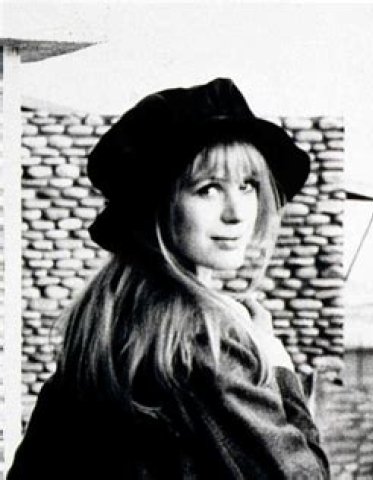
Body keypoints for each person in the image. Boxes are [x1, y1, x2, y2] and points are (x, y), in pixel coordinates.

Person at [8, 78, 329, 479]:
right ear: (157, 205)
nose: (236, 213)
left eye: (247, 186)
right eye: (208, 189)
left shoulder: (101, 319)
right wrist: (278, 365)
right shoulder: (202, 339)